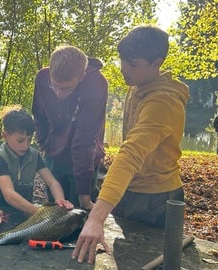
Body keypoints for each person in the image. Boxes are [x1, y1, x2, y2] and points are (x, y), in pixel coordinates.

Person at [72, 25, 189, 264]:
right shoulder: (137, 86)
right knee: (123, 258)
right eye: (122, 61)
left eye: (132, 64)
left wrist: (96, 217)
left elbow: (131, 153)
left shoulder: (163, 102)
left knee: (146, 261)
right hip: (129, 190)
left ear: (156, 63)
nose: (124, 69)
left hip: (155, 198)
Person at [32, 45, 108, 210]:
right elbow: (39, 115)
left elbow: (85, 139)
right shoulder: (42, 77)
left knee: (79, 214)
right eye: (55, 86)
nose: (59, 93)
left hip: (85, 159)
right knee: (55, 212)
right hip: (54, 155)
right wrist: (45, 143)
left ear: (82, 76)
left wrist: (84, 197)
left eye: (67, 88)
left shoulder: (96, 83)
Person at [0, 105, 74, 216]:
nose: (25, 145)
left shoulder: (33, 155)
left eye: (29, 140)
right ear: (5, 135)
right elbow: (9, 195)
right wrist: (38, 212)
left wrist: (60, 199)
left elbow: (52, 182)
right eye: (20, 140)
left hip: (21, 211)